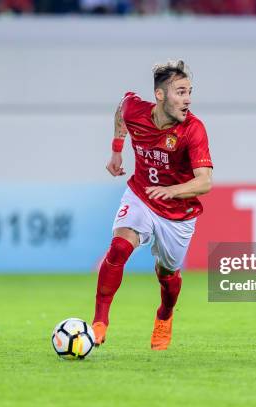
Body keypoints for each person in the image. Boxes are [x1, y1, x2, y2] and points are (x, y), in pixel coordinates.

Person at [93, 60, 213, 350]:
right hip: (142, 194)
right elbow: (121, 108)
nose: (187, 100)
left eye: (189, 92)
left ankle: (165, 314)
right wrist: (116, 150)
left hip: (178, 213)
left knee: (167, 273)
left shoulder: (193, 129)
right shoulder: (136, 110)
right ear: (160, 95)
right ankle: (99, 322)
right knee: (119, 248)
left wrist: (172, 191)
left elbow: (205, 181)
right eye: (180, 92)